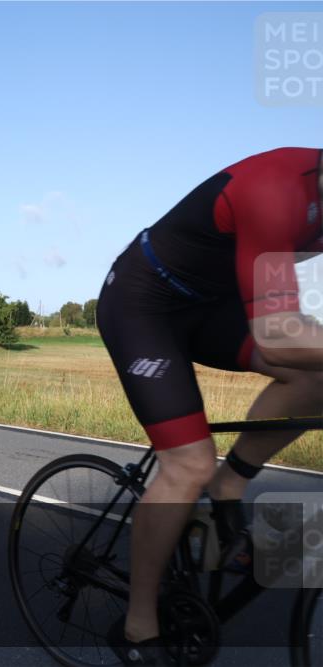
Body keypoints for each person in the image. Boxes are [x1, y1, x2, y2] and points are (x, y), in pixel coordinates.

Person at [96, 147, 323, 665]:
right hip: (144, 305)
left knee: (315, 379)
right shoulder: (276, 190)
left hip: (210, 305)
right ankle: (137, 625)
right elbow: (278, 336)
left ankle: (232, 481)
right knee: (188, 463)